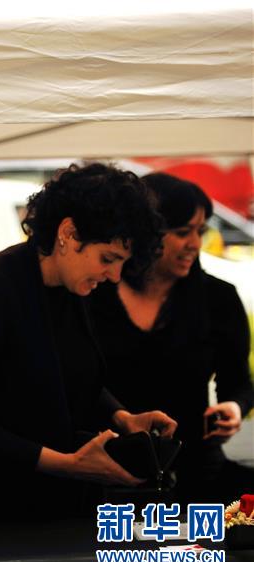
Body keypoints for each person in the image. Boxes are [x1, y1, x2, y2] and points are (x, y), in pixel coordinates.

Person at [0, 163, 177, 524]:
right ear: (69, 233)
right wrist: (67, 464)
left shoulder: (71, 287)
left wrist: (122, 417)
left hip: (55, 511)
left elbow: (69, 375)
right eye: (107, 259)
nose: (113, 276)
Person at [89, 173, 254, 505]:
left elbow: (238, 381)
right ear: (146, 233)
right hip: (104, 472)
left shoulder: (217, 298)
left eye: (200, 231)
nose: (195, 243)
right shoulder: (94, 291)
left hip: (196, 473)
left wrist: (234, 408)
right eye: (182, 232)